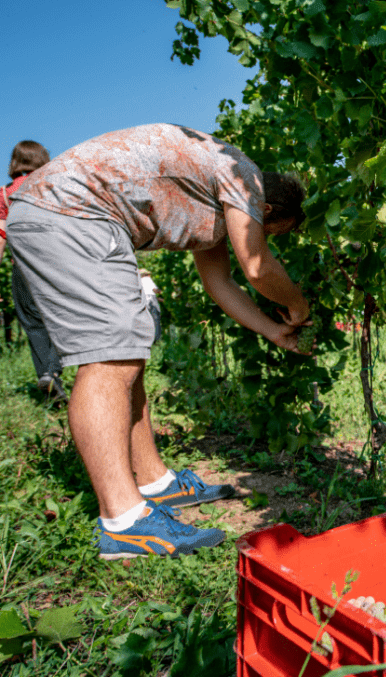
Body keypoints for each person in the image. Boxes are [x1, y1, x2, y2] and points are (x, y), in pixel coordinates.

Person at [7, 123, 311, 560]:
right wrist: (297, 307)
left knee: (127, 354)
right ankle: (124, 521)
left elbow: (221, 284)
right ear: (262, 207)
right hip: (71, 212)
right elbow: (257, 266)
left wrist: (270, 327)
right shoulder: (242, 174)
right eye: (272, 231)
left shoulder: (215, 200)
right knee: (110, 361)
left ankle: (155, 484)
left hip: (72, 212)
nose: (265, 238)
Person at [2, 141, 68, 404]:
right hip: (54, 263)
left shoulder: (4, 194)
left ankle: (47, 377)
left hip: (21, 268)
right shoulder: (54, 186)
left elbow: (1, 234)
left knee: (32, 324)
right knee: (63, 317)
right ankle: (53, 371)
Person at [138, 268, 162, 343]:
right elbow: (154, 291)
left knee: (146, 320)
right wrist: (162, 292)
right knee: (156, 318)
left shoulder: (138, 281)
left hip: (143, 300)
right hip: (151, 300)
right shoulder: (147, 279)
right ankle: (156, 339)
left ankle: (147, 339)